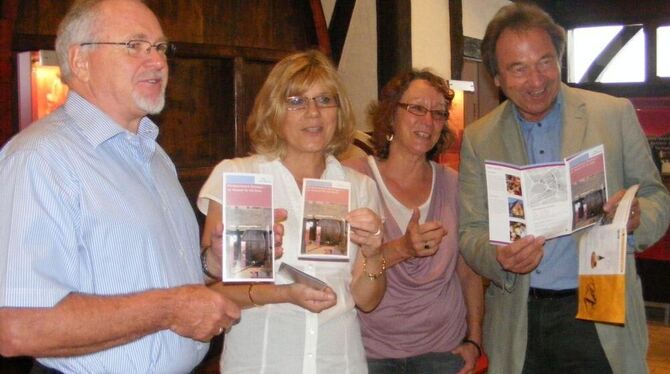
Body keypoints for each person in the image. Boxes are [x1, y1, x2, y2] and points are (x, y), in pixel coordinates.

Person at [0, 1, 242, 372]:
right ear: (80, 60)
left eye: (160, 48)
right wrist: (169, 310)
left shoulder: (153, 155)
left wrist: (210, 264)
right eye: (135, 45)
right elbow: (18, 325)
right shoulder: (40, 159)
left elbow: (141, 271)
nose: (158, 62)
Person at [458, 3, 670, 373]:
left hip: (599, 312)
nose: (536, 80)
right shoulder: (479, 138)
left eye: (545, 62)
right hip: (519, 317)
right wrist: (499, 259)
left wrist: (636, 217)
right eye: (518, 68)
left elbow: (657, 198)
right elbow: (470, 233)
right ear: (496, 77)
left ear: (559, 59)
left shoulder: (613, 114)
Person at [197, 49, 386, 373]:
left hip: (339, 363)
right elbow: (212, 289)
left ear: (338, 112)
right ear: (274, 111)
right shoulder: (240, 177)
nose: (313, 113)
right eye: (297, 101)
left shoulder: (360, 187)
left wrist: (373, 253)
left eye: (325, 100)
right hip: (262, 362)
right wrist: (282, 294)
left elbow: (367, 299)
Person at [344, 70, 483, 374]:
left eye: (438, 113)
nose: (428, 121)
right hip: (370, 350)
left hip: (443, 350)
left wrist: (474, 341)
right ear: (391, 114)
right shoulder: (352, 178)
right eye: (417, 108)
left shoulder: (453, 184)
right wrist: (403, 248)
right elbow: (335, 268)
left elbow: (468, 272)